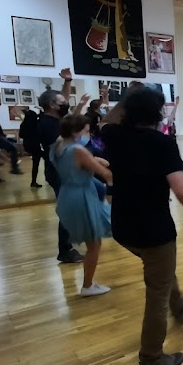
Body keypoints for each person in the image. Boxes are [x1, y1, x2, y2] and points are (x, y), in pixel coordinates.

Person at [102, 86, 183, 365]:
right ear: (158, 114)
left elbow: (108, 119)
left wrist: (129, 97)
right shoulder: (161, 143)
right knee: (156, 290)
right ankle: (151, 359)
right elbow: (181, 189)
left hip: (123, 227)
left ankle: (180, 304)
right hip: (154, 231)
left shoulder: (113, 136)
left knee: (161, 271)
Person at [50, 114, 113, 296]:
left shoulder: (59, 145)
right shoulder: (79, 150)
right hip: (82, 196)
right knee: (94, 243)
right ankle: (87, 286)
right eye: (85, 131)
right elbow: (105, 174)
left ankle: (88, 283)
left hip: (67, 194)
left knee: (94, 239)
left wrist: (94, 160)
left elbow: (78, 164)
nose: (88, 134)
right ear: (76, 132)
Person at [38, 69, 84, 264]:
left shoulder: (54, 119)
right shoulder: (47, 124)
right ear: (51, 106)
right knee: (67, 209)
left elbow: (63, 99)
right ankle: (65, 250)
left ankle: (72, 241)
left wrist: (67, 81)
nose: (65, 103)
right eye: (62, 103)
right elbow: (59, 148)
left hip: (65, 171)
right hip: (59, 173)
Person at [19, 108, 43, 188]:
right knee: (37, 163)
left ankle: (33, 181)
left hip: (27, 145)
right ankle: (34, 181)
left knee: (35, 163)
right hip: (35, 145)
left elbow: (21, 135)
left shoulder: (23, 124)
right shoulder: (36, 124)